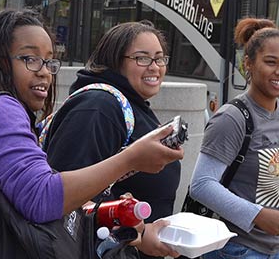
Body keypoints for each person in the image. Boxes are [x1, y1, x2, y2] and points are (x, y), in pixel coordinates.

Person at [0, 9, 183, 259]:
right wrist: (130, 159)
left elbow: (17, 195)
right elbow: (41, 199)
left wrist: (128, 228)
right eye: (30, 59)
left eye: (49, 61)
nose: (45, 73)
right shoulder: (0, 108)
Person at [189, 18, 279, 259]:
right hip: (235, 249)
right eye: (271, 62)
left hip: (278, 247)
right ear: (248, 64)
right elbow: (201, 184)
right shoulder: (233, 118)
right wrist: (258, 215)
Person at [43, 21, 180, 258]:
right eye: (142, 58)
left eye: (160, 58)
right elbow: (66, 201)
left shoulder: (130, 103)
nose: (155, 67)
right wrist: (138, 238)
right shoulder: (98, 107)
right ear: (115, 61)